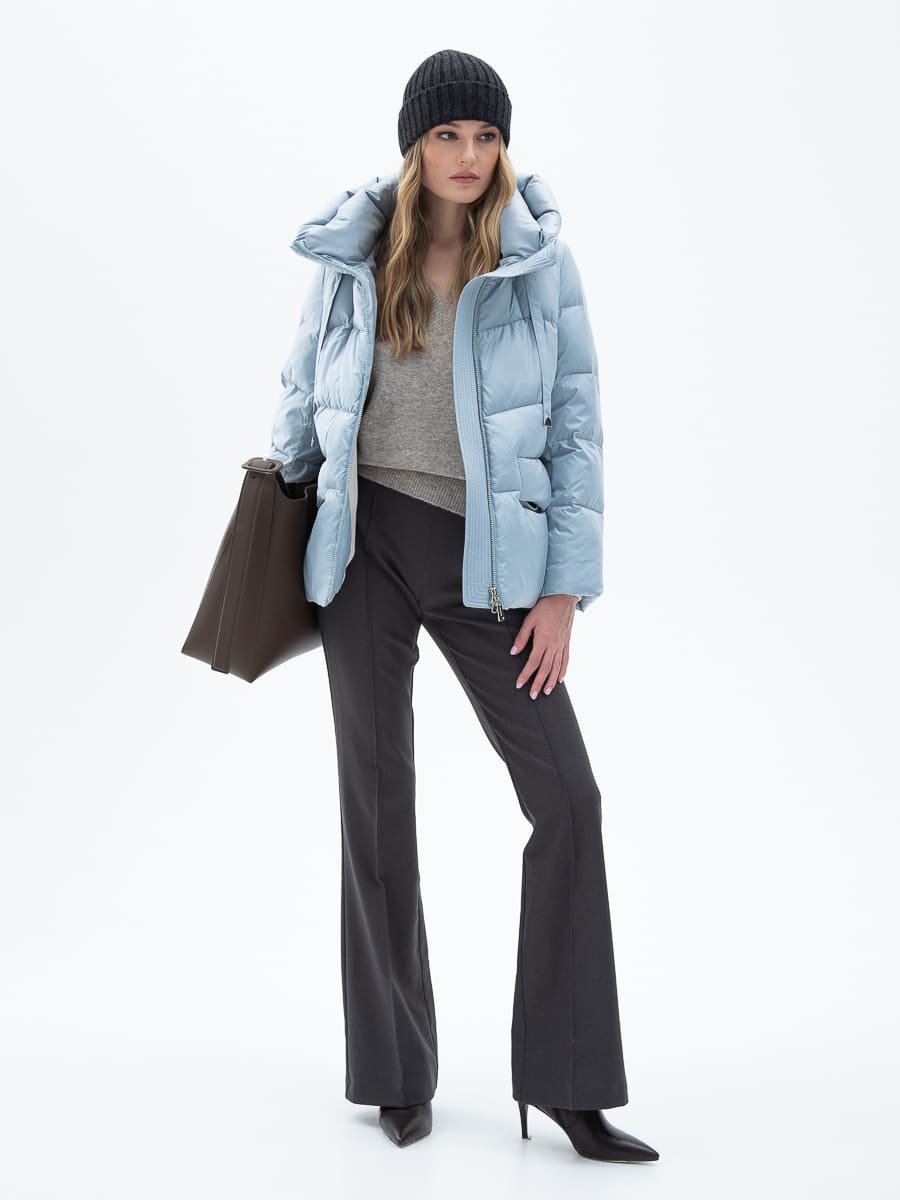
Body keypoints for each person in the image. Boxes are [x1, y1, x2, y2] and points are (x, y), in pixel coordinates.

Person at [267, 49, 659, 1163]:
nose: (469, 156)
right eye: (448, 135)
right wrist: (284, 515)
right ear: (415, 145)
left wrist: (564, 589)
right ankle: (395, 1074)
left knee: (568, 799)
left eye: (486, 136)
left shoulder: (538, 262)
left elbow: (577, 429)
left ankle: (571, 1084)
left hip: (488, 562)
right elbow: (302, 387)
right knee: (376, 801)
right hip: (362, 548)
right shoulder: (355, 250)